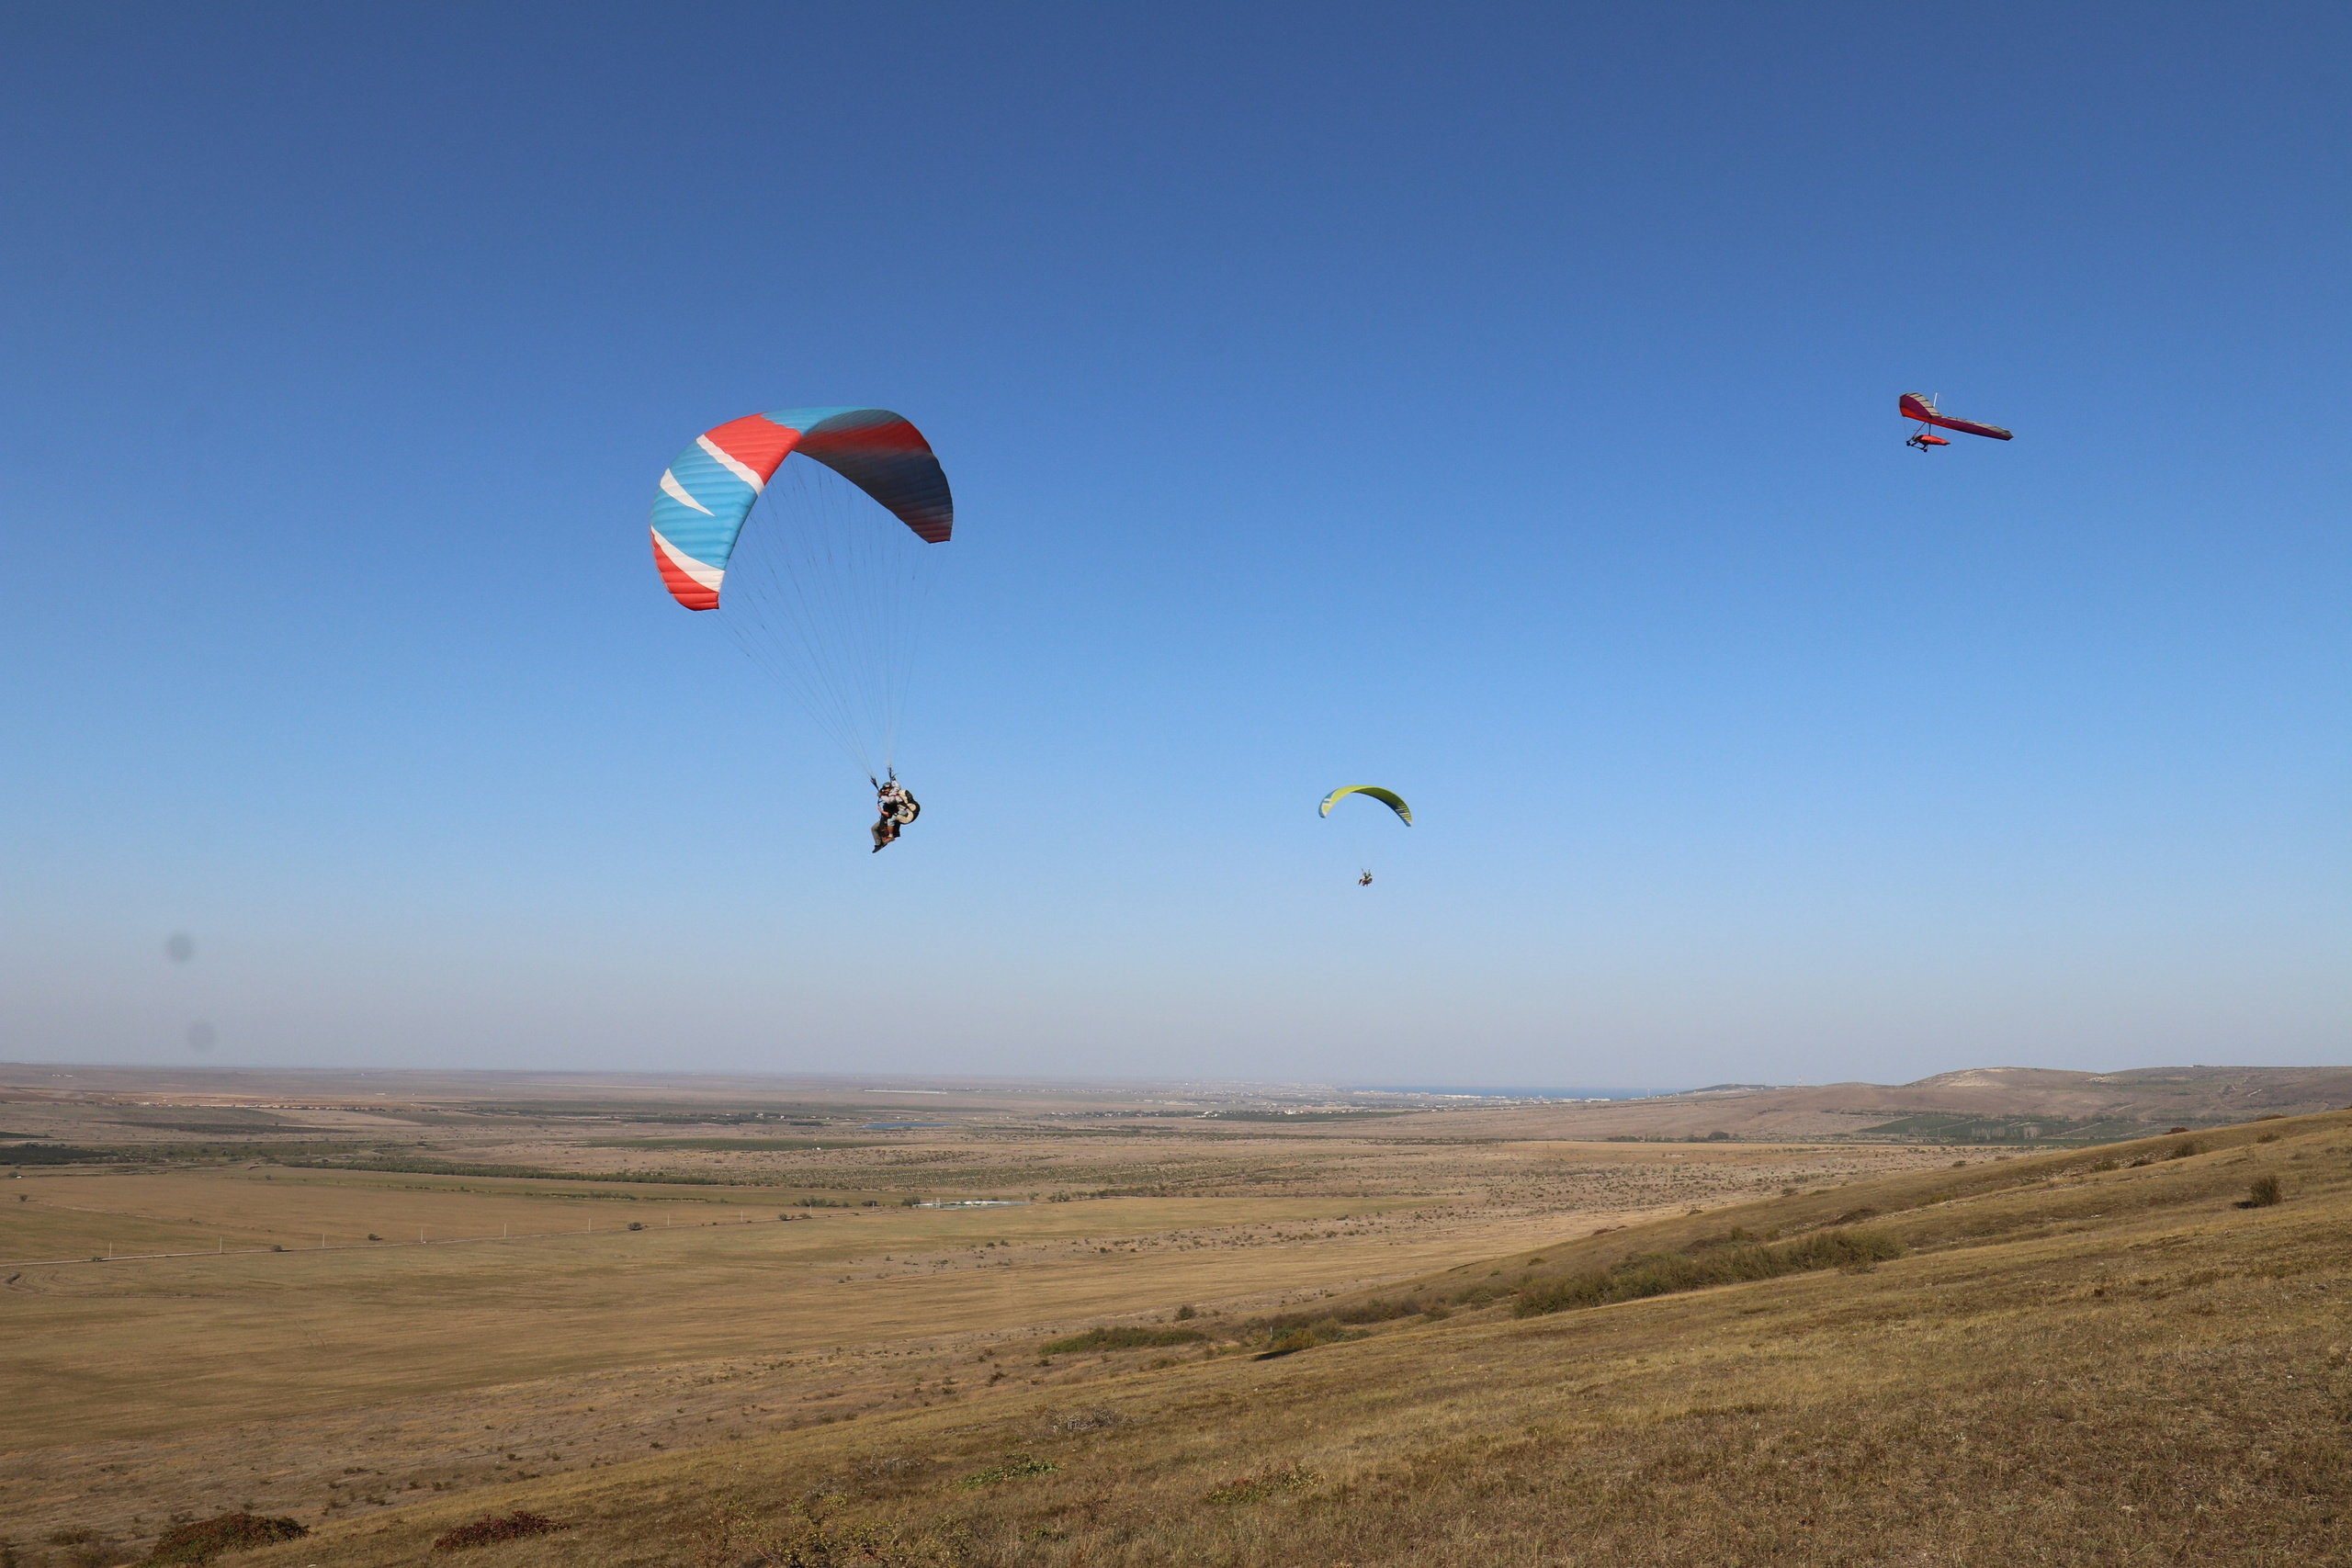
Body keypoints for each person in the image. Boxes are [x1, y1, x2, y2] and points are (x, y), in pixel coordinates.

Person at [871, 773, 920, 852]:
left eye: (886, 789)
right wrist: (894, 780)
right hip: (898, 812)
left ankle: (890, 837)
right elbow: (898, 786)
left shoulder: (892, 794)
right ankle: (879, 844)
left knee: (889, 821)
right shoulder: (895, 790)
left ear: (890, 788)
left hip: (903, 812)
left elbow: (890, 801)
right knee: (874, 828)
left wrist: (881, 797)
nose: (885, 791)